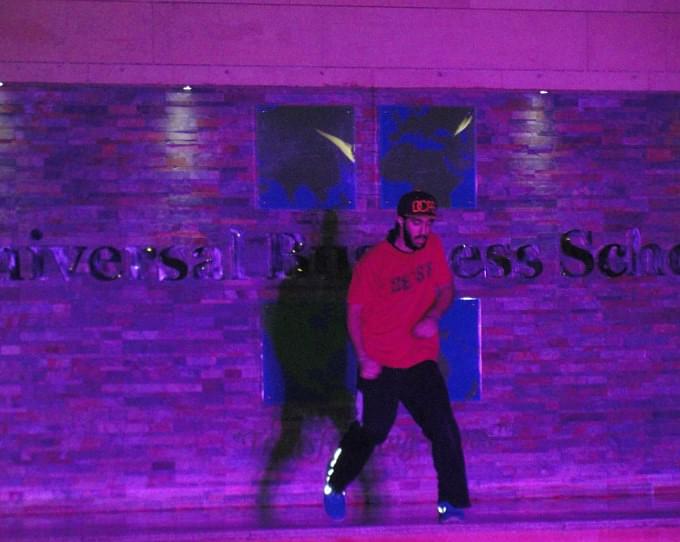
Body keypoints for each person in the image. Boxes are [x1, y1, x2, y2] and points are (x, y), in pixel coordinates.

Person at [323, 190, 471, 523]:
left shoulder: (433, 247)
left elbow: (446, 290)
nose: (423, 230)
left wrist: (433, 316)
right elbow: (354, 314)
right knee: (373, 430)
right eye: (416, 223)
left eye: (428, 223)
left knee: (444, 430)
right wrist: (364, 358)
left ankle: (450, 503)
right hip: (380, 362)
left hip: (420, 360)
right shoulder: (373, 263)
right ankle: (335, 485)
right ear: (400, 221)